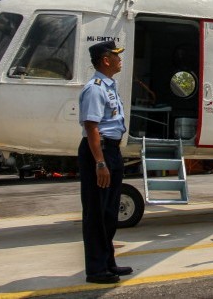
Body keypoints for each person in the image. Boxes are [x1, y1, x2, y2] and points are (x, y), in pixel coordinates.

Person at [78, 39, 134, 284]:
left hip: (111, 150)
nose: (120, 59)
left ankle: (108, 262)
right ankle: (96, 269)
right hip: (98, 151)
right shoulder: (95, 88)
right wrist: (100, 163)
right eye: (116, 55)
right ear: (106, 60)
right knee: (97, 212)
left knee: (110, 211)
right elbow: (91, 126)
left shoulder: (109, 86)